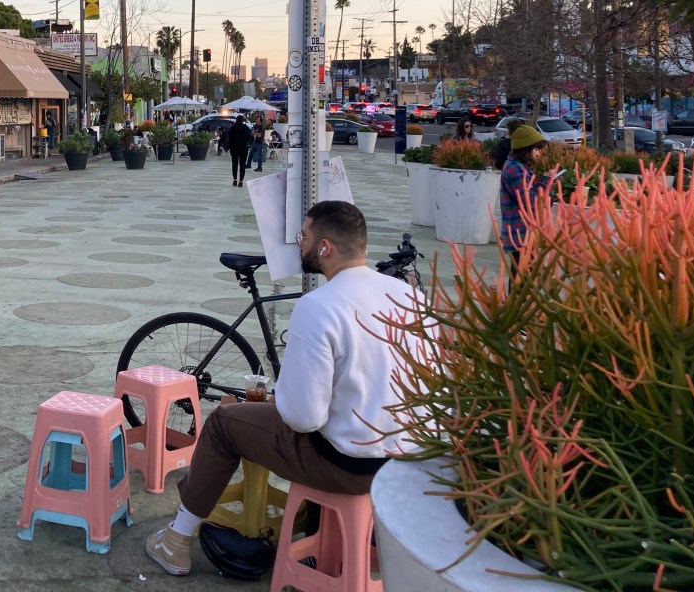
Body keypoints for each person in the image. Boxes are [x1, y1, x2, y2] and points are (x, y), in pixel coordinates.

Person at [144, 200, 431, 577]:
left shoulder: (319, 306)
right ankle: (346, 540)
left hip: (348, 466)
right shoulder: (411, 296)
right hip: (410, 463)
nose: (299, 244)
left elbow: (303, 418)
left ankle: (176, 541)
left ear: (324, 248)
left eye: (304, 236)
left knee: (224, 422)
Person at [499, 125, 553, 281]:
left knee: (521, 277)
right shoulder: (515, 170)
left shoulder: (519, 168)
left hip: (523, 232)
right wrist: (547, 182)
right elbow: (531, 201)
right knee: (521, 279)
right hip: (519, 233)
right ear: (525, 149)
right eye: (536, 150)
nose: (538, 154)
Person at [227, 115, 253, 187]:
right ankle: (241, 181)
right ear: (242, 120)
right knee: (242, 165)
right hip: (243, 148)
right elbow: (249, 138)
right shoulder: (245, 127)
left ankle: (235, 180)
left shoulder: (233, 128)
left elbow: (230, 139)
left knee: (234, 164)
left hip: (234, 149)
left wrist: (230, 148)